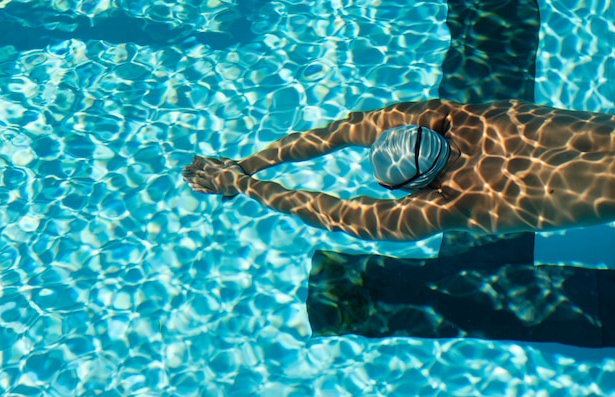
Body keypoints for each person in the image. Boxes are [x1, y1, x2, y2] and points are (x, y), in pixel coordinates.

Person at [182, 99, 615, 242]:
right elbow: (345, 129)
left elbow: (345, 217)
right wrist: (250, 162)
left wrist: (242, 182)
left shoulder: (451, 204)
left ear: (417, 189)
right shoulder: (453, 117)